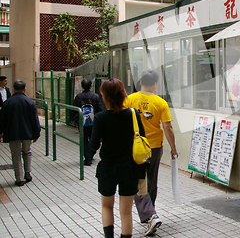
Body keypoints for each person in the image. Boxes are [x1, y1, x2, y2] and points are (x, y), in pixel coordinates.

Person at [90, 78, 146, 238]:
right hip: (129, 168)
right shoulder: (133, 114)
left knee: (107, 207)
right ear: (123, 95)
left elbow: (93, 145)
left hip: (108, 168)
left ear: (105, 96)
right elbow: (142, 137)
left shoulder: (100, 118)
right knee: (126, 212)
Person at [125, 69, 178, 236]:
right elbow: (167, 127)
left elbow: (121, 120)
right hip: (154, 147)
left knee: (136, 180)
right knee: (151, 180)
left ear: (140, 82)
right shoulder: (160, 102)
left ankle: (149, 215)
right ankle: (151, 213)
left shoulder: (129, 99)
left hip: (134, 147)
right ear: (155, 85)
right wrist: (173, 148)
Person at [0, 80, 41, 186]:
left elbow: (2, 120)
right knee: (27, 152)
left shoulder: (7, 103)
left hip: (13, 133)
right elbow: (35, 120)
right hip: (27, 133)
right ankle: (27, 172)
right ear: (25, 89)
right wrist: (36, 133)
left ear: (13, 89)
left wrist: (1, 132)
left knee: (16, 155)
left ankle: (19, 179)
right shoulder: (30, 102)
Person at [71, 78, 103, 165]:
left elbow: (74, 109)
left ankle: (87, 158)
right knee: (94, 139)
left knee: (84, 139)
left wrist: (72, 119)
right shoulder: (95, 96)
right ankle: (91, 154)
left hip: (82, 122)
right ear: (91, 86)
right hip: (93, 122)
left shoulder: (78, 97)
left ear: (81, 86)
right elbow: (99, 109)